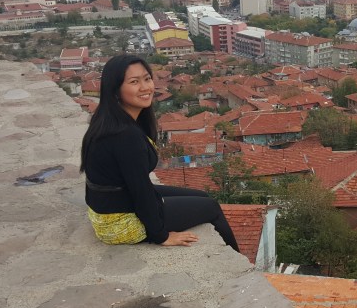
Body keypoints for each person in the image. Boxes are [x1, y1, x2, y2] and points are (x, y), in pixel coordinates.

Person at [80, 54, 239, 250]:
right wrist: (161, 235)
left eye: (147, 79)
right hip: (120, 222)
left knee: (202, 196)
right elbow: (140, 190)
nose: (145, 87)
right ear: (115, 90)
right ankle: (240, 261)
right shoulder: (124, 135)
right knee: (212, 207)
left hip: (111, 206)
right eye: (134, 82)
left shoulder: (110, 119)